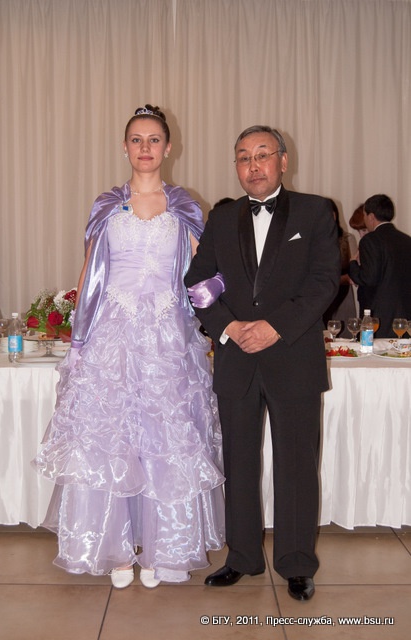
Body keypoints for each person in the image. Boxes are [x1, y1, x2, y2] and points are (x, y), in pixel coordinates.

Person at [32, 105, 225, 589]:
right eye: (136, 140)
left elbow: (205, 272)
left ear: (168, 147)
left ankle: (165, 547)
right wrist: (79, 336)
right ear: (124, 147)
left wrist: (220, 306)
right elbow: (90, 271)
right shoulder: (106, 205)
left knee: (165, 437)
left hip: (167, 334)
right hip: (112, 335)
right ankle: (114, 550)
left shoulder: (185, 207)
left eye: (154, 139)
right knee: (112, 437)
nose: (145, 148)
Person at [185, 125, 340, 601]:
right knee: (238, 463)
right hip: (237, 359)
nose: (253, 165)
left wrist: (275, 326)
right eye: (243, 157)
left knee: (296, 466)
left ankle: (297, 562)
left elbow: (324, 281)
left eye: (262, 154)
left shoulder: (316, 211)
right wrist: (229, 327)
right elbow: (197, 282)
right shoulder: (221, 217)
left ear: (283, 160)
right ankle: (243, 557)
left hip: (293, 356)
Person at [349, 194, 411, 337]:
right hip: (405, 318)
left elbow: (368, 278)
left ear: (371, 216)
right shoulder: (407, 240)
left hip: (379, 318)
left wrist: (353, 264)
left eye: (364, 215)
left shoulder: (370, 240)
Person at [323, 199, 357, 333]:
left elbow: (354, 270)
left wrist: (340, 280)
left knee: (344, 331)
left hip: (343, 293)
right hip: (320, 292)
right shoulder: (312, 238)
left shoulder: (347, 238)